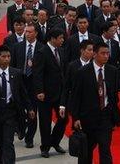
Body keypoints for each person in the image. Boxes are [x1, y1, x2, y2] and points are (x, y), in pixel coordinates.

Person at [0, 45, 35, 163]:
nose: (6, 59)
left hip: (11, 112)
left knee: (8, 142)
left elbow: (23, 93)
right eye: (3, 57)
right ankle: (2, 160)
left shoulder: (17, 73)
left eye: (8, 56)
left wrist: (29, 108)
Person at [71, 42, 120, 164]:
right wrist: (76, 117)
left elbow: (113, 94)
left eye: (107, 53)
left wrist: (113, 114)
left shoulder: (112, 71)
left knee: (105, 150)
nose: (106, 56)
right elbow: (76, 96)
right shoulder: (82, 72)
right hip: (87, 118)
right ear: (94, 54)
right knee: (86, 151)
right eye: (103, 53)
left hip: (106, 117)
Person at [32, 28, 68, 158]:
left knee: (64, 118)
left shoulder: (62, 51)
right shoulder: (42, 52)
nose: (62, 40)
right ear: (53, 39)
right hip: (45, 94)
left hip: (59, 92)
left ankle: (54, 141)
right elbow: (37, 73)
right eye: (60, 38)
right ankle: (45, 147)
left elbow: (63, 71)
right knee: (45, 122)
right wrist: (39, 91)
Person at [10, 23, 44, 148]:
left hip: (34, 83)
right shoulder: (17, 47)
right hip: (20, 81)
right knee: (18, 109)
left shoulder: (42, 48)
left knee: (32, 111)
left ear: (36, 33)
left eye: (30, 32)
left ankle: (30, 137)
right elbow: (12, 66)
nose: (27, 34)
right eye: (26, 32)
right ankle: (20, 128)